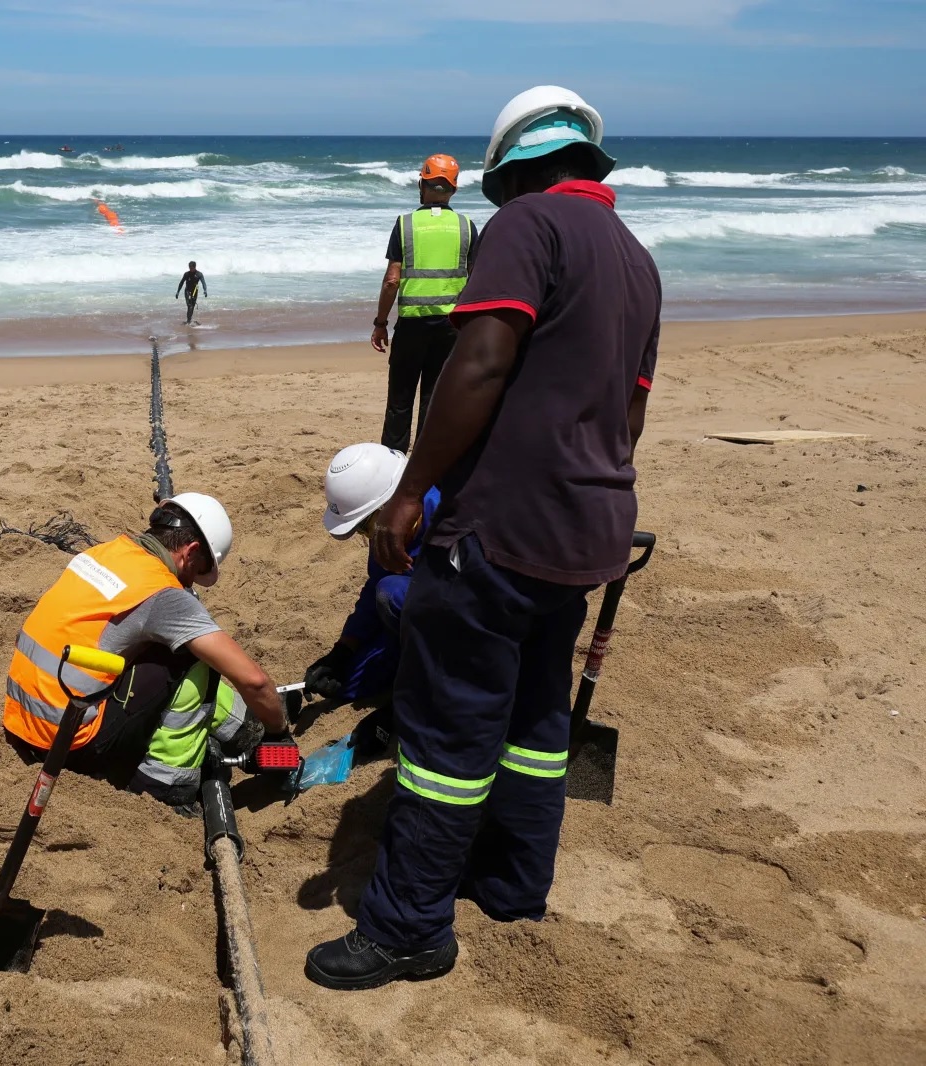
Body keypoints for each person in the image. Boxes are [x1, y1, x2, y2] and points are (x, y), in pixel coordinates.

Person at [306, 85, 660, 989]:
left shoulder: (528, 228)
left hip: (498, 527)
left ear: (521, 170)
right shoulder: (637, 258)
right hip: (588, 527)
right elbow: (628, 414)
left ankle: (408, 928)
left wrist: (413, 489)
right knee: (538, 716)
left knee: (448, 732)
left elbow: (484, 359)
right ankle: (511, 882)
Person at [3, 493, 290, 809]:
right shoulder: (162, 592)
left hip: (23, 721)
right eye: (198, 572)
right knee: (194, 655)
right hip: (71, 743)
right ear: (191, 552)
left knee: (158, 644)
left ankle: (243, 730)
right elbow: (254, 681)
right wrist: (279, 733)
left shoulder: (105, 553)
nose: (192, 583)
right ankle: (167, 785)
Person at [302, 443, 439, 758]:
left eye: (368, 525)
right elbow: (373, 588)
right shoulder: (391, 533)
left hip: (458, 628)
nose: (370, 537)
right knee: (348, 684)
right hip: (414, 617)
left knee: (392, 593)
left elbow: (464, 617)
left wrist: (401, 708)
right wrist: (341, 652)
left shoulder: (445, 519)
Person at [371, 155, 479, 454]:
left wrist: (380, 323)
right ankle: (424, 464)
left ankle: (391, 463)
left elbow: (392, 280)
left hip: (412, 326)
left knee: (400, 401)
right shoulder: (467, 227)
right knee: (434, 399)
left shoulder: (406, 224)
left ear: (422, 183)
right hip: (450, 328)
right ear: (454, 190)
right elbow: (477, 279)